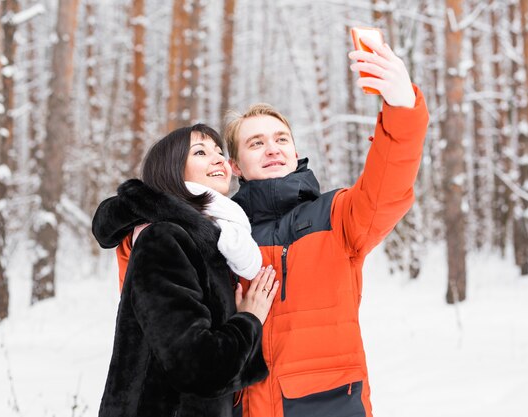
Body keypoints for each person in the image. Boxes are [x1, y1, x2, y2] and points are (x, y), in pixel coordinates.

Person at [221, 36, 429, 417]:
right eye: (256, 143)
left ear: (295, 151)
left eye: (281, 138)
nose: (272, 148)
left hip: (326, 404)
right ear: (234, 166)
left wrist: (402, 110)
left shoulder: (336, 216)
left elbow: (389, 185)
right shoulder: (222, 233)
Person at [91, 124, 279, 417]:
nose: (219, 159)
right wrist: (249, 320)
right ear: (172, 172)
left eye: (219, 151)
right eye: (201, 152)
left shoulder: (216, 242)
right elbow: (196, 367)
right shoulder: (164, 238)